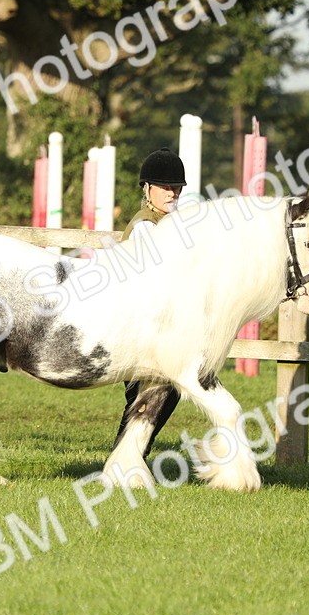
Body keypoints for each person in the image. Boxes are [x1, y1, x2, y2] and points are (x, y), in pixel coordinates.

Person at [113, 147, 186, 456]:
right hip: (137, 325)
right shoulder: (146, 226)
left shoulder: (169, 223)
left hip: (155, 324)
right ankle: (125, 456)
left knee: (159, 394)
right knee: (152, 394)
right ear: (148, 189)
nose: (172, 193)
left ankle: (127, 455)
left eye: (176, 187)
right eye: (165, 187)